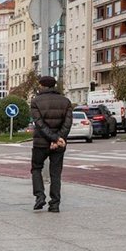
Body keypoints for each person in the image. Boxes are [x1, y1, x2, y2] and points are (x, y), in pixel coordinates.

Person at [30, 76, 73, 213]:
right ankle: (55, 204)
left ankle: (39, 196)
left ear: (42, 86)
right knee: (56, 173)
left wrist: (53, 138)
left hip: (40, 143)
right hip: (59, 144)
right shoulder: (66, 102)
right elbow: (68, 124)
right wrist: (58, 139)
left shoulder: (36, 101)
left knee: (36, 168)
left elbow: (39, 124)